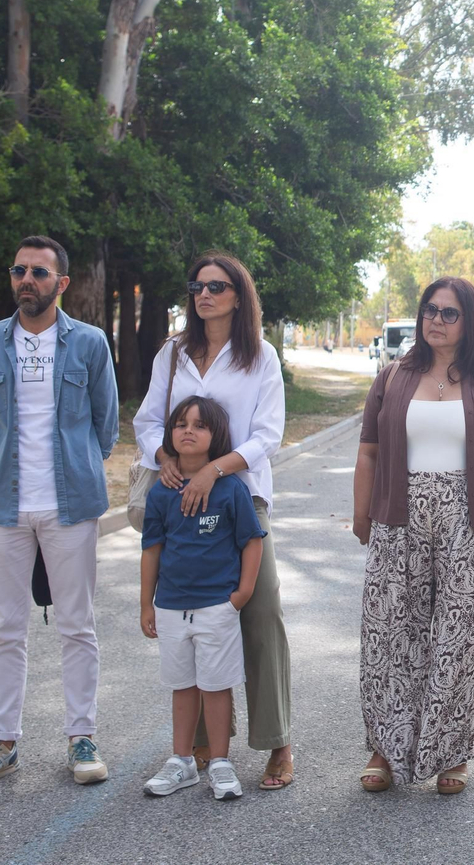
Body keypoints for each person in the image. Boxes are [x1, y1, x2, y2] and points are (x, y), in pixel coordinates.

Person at [353, 276, 474, 793]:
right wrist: (364, 514)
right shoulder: (393, 376)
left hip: (473, 522)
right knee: (389, 636)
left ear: (469, 321)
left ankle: (451, 751)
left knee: (460, 639)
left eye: (450, 313)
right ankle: (385, 748)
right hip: (399, 514)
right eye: (430, 309)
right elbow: (368, 451)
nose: (436, 320)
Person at [0, 235, 119, 791]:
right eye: (19, 270)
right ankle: (2, 743)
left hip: (71, 506)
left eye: (39, 273)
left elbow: (106, 425)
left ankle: (83, 737)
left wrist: (72, 470)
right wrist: (2, 466)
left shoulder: (90, 344)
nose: (27, 280)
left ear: (62, 283)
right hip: (3, 507)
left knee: (77, 625)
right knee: (6, 627)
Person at [132, 252, 294, 790]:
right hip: (180, 503)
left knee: (260, 613)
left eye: (217, 286)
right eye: (198, 286)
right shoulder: (173, 355)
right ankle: (200, 744)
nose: (205, 295)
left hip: (242, 498)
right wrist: (167, 461)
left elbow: (268, 433)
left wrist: (215, 471)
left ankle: (277, 742)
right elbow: (148, 420)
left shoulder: (261, 356)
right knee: (191, 613)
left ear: (238, 295)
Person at [139, 396, 266, 801]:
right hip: (171, 605)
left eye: (199, 425)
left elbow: (251, 542)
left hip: (217, 606)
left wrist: (241, 594)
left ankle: (221, 763)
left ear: (217, 437)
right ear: (169, 434)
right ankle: (182, 762)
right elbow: (151, 550)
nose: (188, 430)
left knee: (216, 685)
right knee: (183, 686)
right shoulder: (161, 493)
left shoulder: (231, 489)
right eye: (180, 424)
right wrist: (146, 603)